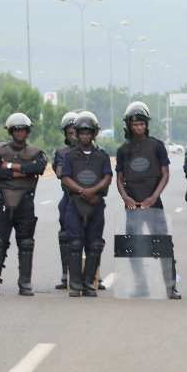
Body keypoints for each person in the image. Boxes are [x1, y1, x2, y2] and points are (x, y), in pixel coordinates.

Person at [115, 101, 180, 299]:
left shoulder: (157, 146)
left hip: (153, 203)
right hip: (132, 205)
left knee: (163, 245)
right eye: (135, 125)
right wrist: (126, 197)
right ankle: (141, 287)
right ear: (129, 126)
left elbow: (165, 174)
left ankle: (171, 287)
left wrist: (153, 197)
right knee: (131, 246)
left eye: (142, 124)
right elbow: (119, 179)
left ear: (146, 124)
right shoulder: (123, 150)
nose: (139, 127)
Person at [0, 113, 48, 296]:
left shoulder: (35, 152)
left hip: (25, 201)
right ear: (11, 131)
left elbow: (39, 168)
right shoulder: (0, 151)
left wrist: (10, 167)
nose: (19, 132)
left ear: (27, 131)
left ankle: (25, 283)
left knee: (26, 242)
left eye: (22, 129)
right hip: (4, 199)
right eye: (16, 129)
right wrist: (23, 172)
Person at [61, 111, 112, 297]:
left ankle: (89, 282)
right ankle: (75, 283)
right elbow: (65, 178)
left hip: (96, 204)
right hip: (75, 203)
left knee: (95, 244)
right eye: (81, 133)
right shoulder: (70, 156)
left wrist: (94, 190)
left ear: (94, 134)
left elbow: (107, 177)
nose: (84, 136)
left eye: (88, 133)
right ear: (76, 134)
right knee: (75, 243)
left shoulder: (102, 156)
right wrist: (83, 192)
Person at [53, 111, 78, 289]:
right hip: (69, 197)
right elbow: (61, 174)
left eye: (77, 132)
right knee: (65, 235)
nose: (74, 137)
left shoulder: (94, 151)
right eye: (70, 133)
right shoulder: (61, 153)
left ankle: (92, 274)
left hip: (90, 197)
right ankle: (66, 273)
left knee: (92, 237)